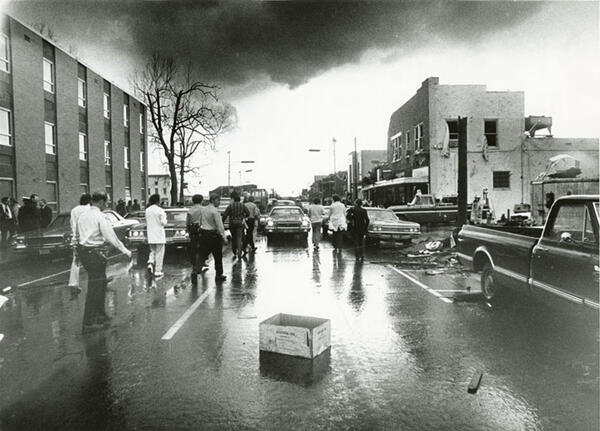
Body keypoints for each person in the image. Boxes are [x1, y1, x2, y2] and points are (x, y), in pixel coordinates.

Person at [77, 191, 132, 333]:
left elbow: (78, 234)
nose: (107, 205)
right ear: (100, 202)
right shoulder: (100, 217)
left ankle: (100, 315)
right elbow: (110, 236)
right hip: (95, 253)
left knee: (100, 284)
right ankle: (88, 322)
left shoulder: (83, 216)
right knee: (95, 287)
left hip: (85, 252)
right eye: (106, 202)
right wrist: (125, 250)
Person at [68, 193, 91, 294]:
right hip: (88, 239)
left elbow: (72, 224)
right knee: (95, 260)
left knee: (76, 262)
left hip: (76, 239)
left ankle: (73, 284)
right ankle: (99, 280)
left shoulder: (74, 210)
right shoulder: (90, 210)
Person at [200, 194, 227, 281]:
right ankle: (219, 275)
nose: (219, 202)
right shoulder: (215, 211)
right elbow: (219, 225)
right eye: (218, 200)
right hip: (214, 235)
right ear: (213, 200)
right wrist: (224, 237)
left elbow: (200, 221)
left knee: (203, 254)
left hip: (204, 234)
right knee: (218, 255)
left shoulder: (203, 210)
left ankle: (196, 269)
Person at [186, 194, 209, 284]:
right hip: (202, 229)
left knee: (193, 247)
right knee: (203, 247)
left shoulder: (190, 210)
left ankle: (194, 265)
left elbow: (188, 222)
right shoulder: (204, 209)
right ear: (201, 200)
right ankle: (202, 262)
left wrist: (188, 229)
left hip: (193, 230)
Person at [145, 193, 168, 279]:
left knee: (152, 251)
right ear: (158, 201)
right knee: (159, 253)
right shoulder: (160, 210)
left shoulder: (147, 210)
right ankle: (158, 270)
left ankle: (150, 263)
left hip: (150, 234)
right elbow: (163, 222)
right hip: (159, 235)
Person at [222, 191, 249, 259]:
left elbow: (225, 215)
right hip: (240, 223)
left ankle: (234, 250)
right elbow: (248, 213)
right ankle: (239, 252)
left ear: (233, 199)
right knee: (239, 237)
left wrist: (222, 222)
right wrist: (243, 216)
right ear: (240, 199)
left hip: (232, 223)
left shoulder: (230, 206)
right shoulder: (242, 205)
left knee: (234, 237)